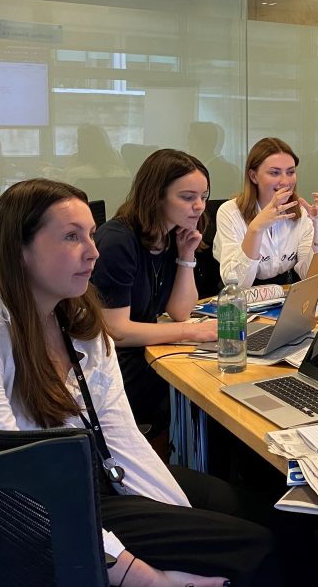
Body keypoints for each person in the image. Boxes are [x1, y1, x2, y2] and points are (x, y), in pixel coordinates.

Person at [0, 179, 279, 587]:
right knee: (256, 548)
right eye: (71, 237)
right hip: (60, 507)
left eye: (91, 235)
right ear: (19, 250)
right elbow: (14, 498)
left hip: (105, 474)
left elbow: (119, 431)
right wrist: (148, 577)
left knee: (272, 516)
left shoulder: (74, 320)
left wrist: (174, 509)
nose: (93, 252)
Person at [91, 149, 217, 441]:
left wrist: (186, 256)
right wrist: (192, 333)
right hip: (114, 367)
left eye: (204, 197)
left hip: (145, 353)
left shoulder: (173, 235)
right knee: (206, 394)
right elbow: (116, 331)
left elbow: (180, 311)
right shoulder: (118, 241)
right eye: (187, 197)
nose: (199, 206)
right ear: (156, 196)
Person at [213, 138, 318, 289]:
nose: (285, 182)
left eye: (290, 172)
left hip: (285, 295)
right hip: (240, 303)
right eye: (275, 173)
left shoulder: (301, 212)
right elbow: (237, 285)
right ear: (253, 176)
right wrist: (256, 228)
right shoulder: (229, 212)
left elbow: (314, 278)